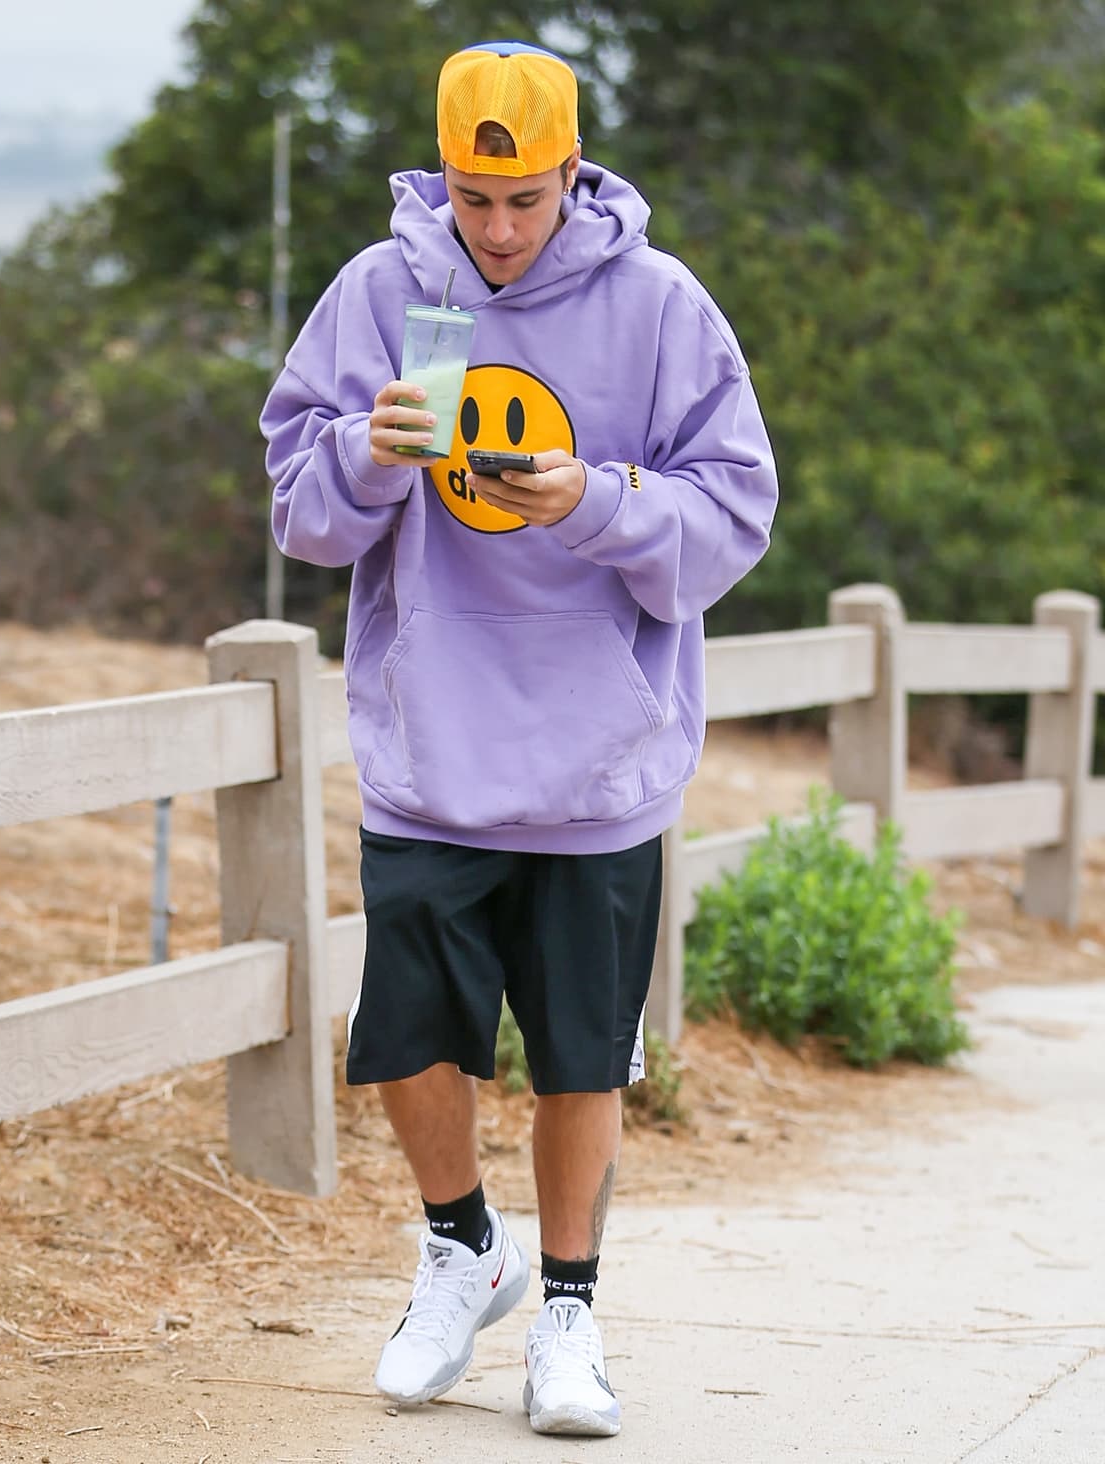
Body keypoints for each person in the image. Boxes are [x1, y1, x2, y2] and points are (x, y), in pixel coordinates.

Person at [260, 39, 777, 1439]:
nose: (498, 233)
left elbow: (736, 514)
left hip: (597, 764)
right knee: (405, 1038)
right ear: (444, 175)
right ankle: (455, 1246)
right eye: (477, 201)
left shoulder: (663, 310)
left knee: (580, 1062)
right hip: (432, 748)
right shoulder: (380, 295)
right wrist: (369, 458)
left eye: (527, 201)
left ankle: (565, 1313)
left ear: (572, 175)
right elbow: (300, 519)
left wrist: (597, 501)